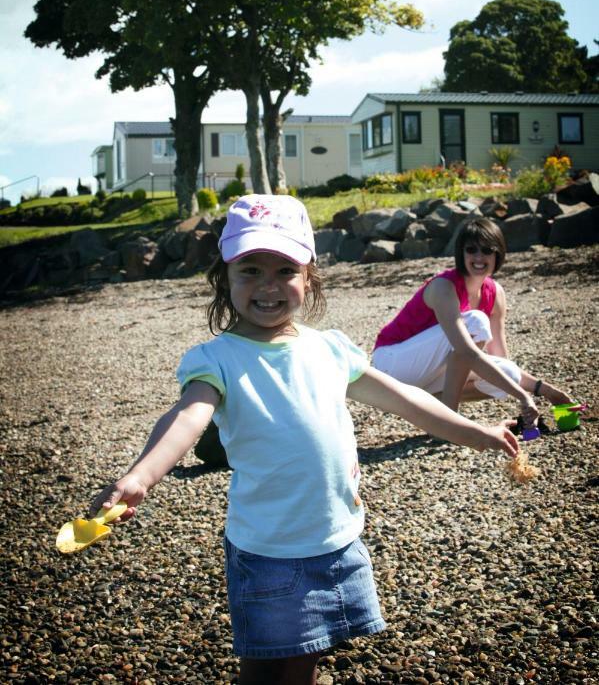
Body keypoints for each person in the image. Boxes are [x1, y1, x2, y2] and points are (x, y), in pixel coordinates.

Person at [89, 195, 519, 685]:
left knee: (308, 655)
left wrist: (476, 432)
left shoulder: (329, 348)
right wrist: (142, 475)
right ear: (223, 278)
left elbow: (406, 400)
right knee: (264, 665)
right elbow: (188, 417)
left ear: (308, 277)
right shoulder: (218, 359)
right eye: (250, 270)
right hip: (270, 549)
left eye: (285, 271)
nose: (268, 286)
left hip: (337, 537)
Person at [372, 217, 572, 427]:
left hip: (427, 372)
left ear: (498, 254)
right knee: (475, 323)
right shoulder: (443, 287)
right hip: (391, 366)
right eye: (471, 249)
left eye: (487, 250)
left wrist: (546, 390)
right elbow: (467, 351)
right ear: (461, 253)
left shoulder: (495, 294)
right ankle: (447, 423)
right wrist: (523, 396)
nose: (479, 257)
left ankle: (433, 408)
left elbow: (501, 360)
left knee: (508, 373)